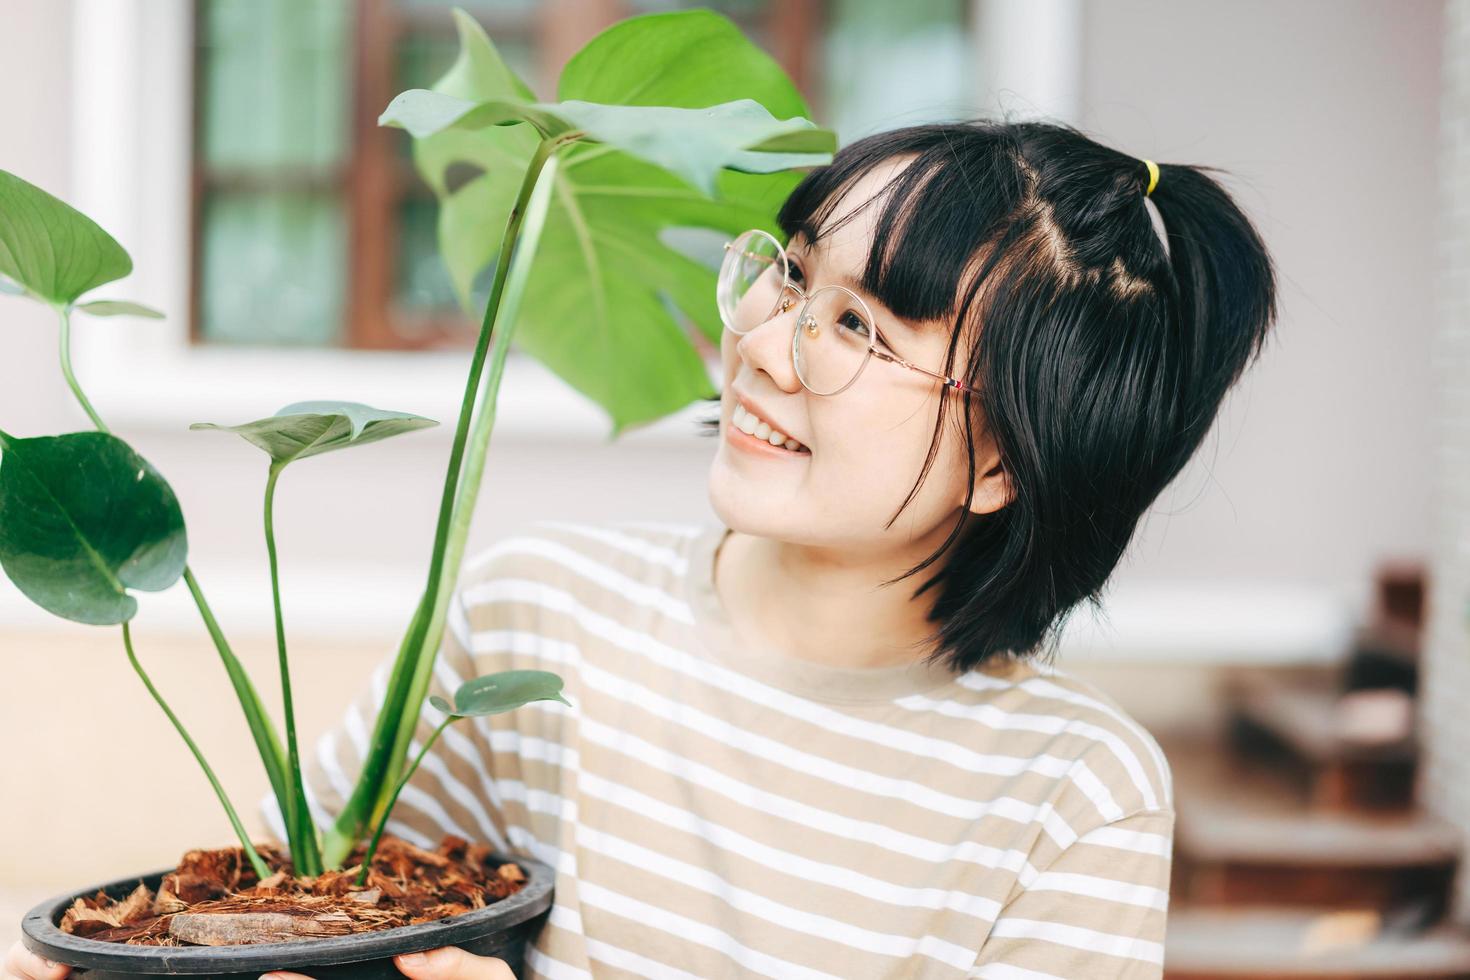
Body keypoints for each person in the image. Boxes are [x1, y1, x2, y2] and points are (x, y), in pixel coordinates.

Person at [5, 117, 1276, 980]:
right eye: (788, 273)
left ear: (1004, 457)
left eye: (858, 324)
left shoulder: (1073, 794)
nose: (767, 345)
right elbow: (336, 907)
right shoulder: (543, 616)